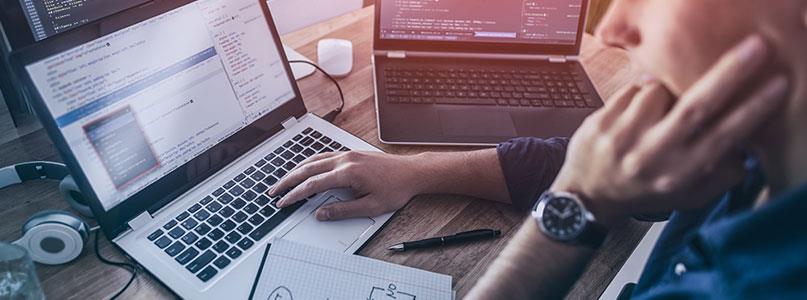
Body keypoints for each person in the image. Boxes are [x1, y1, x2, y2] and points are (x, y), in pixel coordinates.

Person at [270, 0, 807, 298]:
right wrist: (416, 171)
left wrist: (575, 200)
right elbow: (628, 175)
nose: (615, 28)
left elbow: (593, 178)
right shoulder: (747, 152)